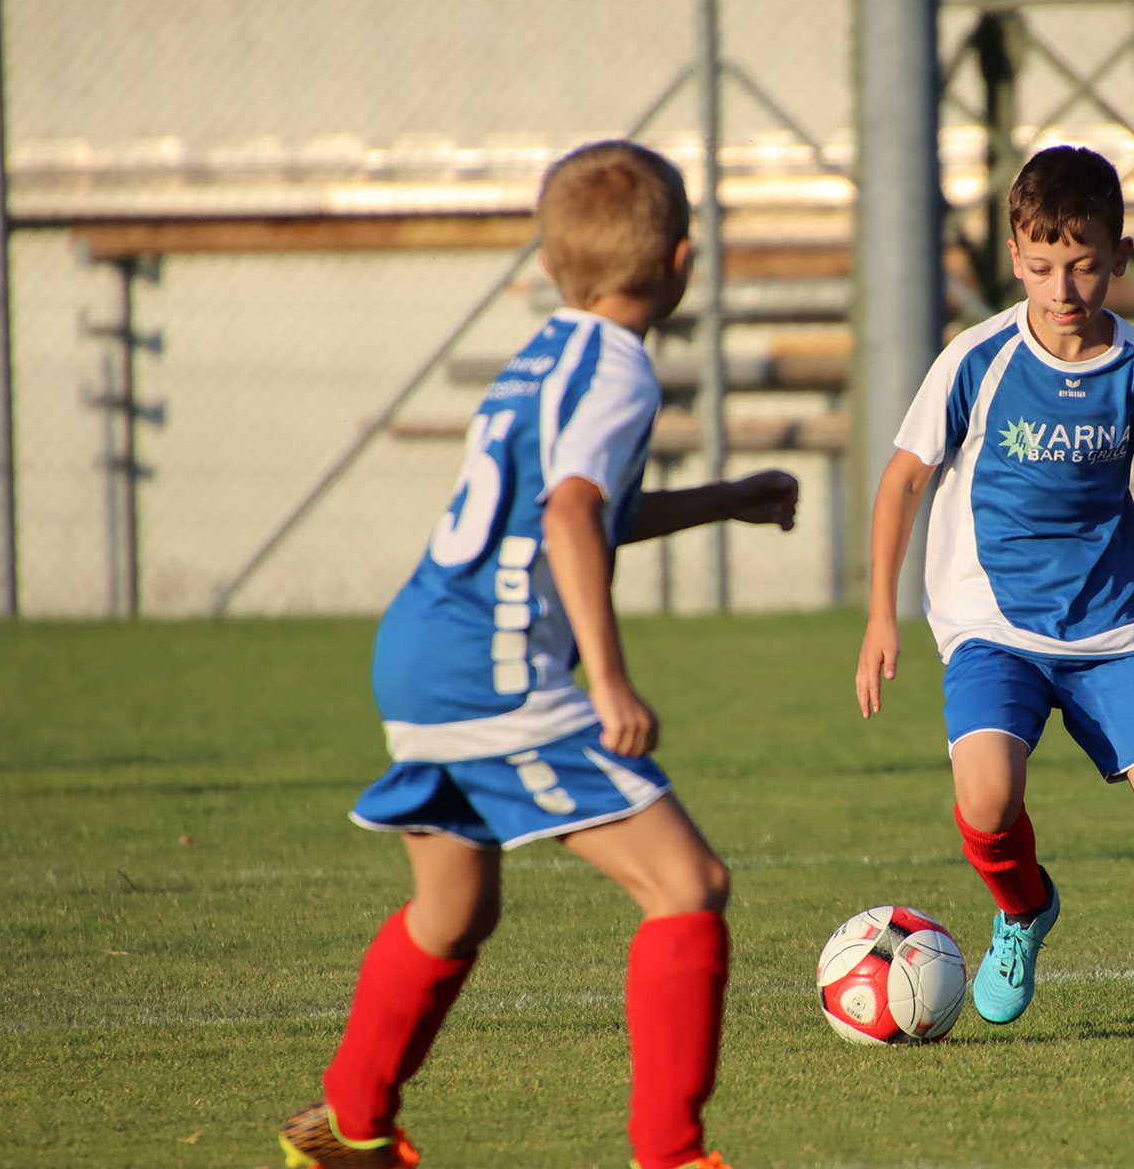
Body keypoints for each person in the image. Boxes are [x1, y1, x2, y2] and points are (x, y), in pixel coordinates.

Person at [276, 140, 798, 1169]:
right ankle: (671, 1155)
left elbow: (575, 507)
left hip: (420, 643)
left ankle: (350, 1128)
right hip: (497, 661)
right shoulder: (619, 372)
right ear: (684, 258)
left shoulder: (541, 358)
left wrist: (725, 502)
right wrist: (606, 680)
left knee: (452, 908)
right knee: (686, 885)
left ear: (553, 264)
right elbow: (569, 514)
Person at [855, 145, 1134, 1031]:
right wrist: (882, 615)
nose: (1063, 287)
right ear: (1014, 256)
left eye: (1082, 265)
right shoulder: (977, 358)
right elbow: (903, 481)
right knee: (987, 798)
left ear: (1120, 256)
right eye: (1041, 267)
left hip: (1111, 626)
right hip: (991, 621)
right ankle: (1024, 908)